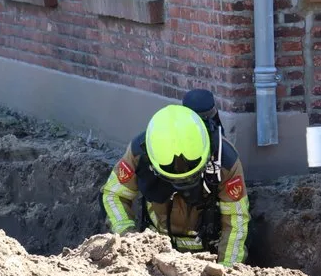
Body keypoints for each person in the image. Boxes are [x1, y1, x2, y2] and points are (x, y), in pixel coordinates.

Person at [100, 90, 250, 266]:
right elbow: (113, 195)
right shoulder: (141, 152)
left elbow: (236, 221)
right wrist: (129, 240)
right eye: (173, 180)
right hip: (153, 254)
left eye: (190, 178)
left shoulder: (224, 160)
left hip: (208, 257)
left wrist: (228, 271)